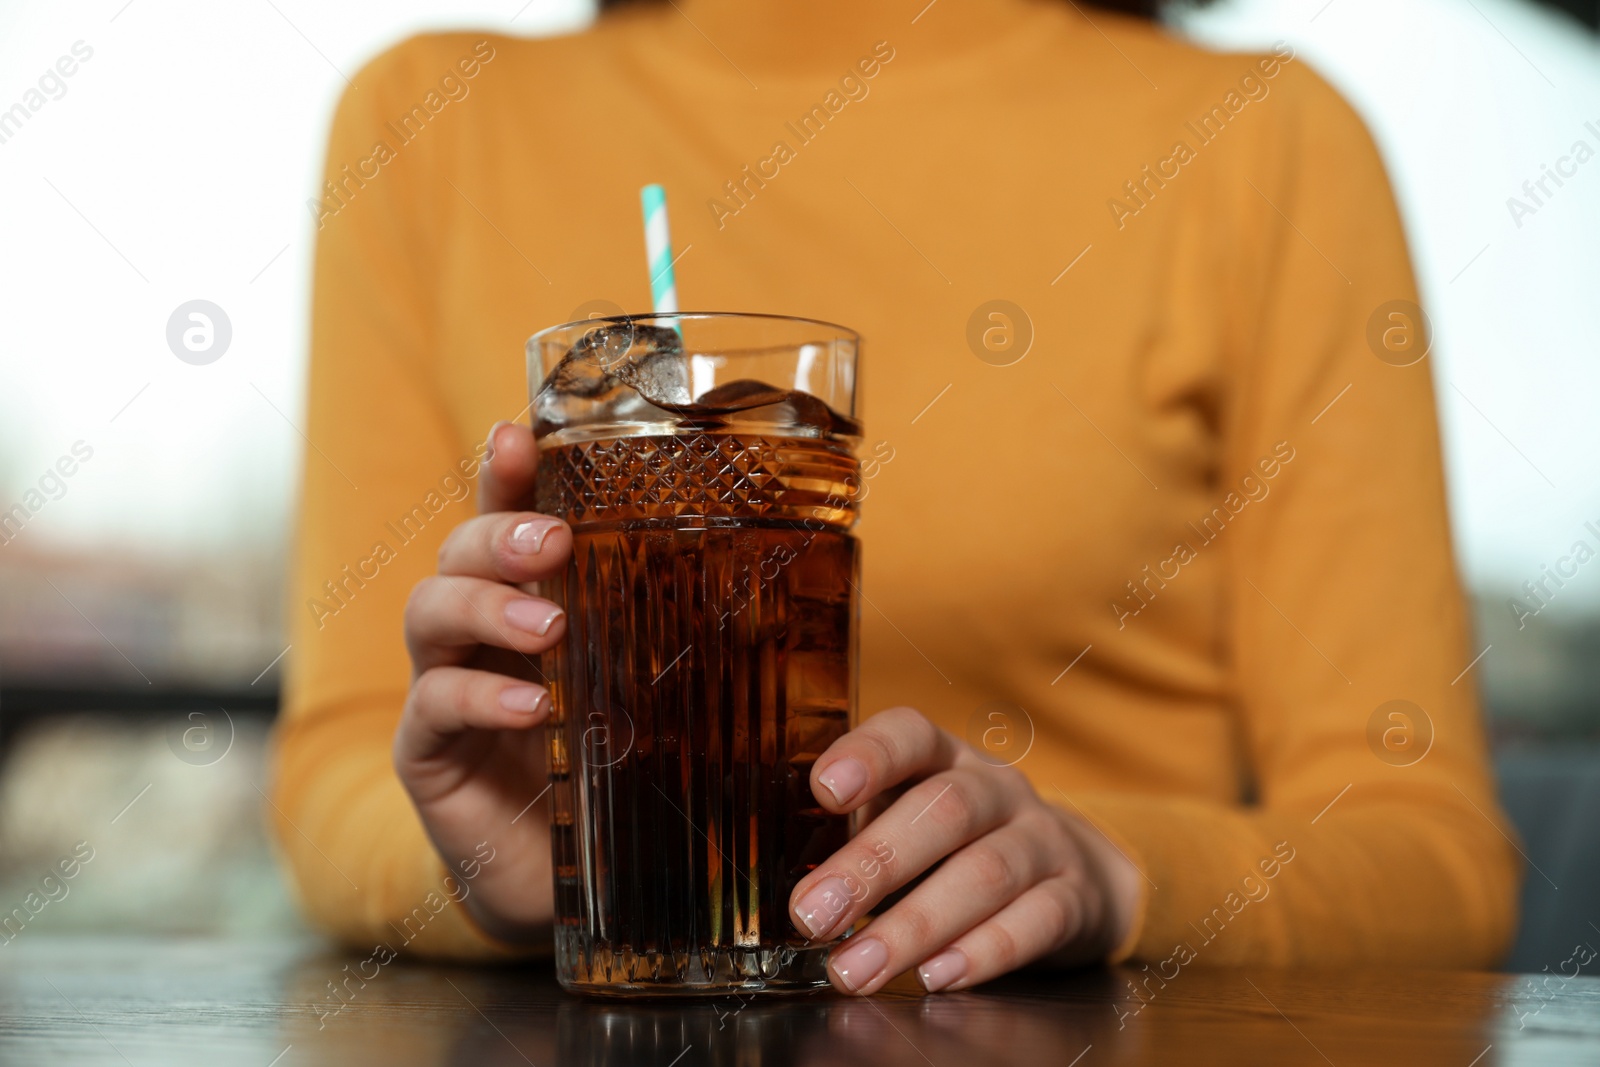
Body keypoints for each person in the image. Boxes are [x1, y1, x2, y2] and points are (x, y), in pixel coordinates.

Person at [271, 0, 1520, 996]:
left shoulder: (1265, 141)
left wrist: (1114, 875)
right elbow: (339, 762)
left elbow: (1430, 854)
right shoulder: (429, 120)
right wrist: (516, 859)